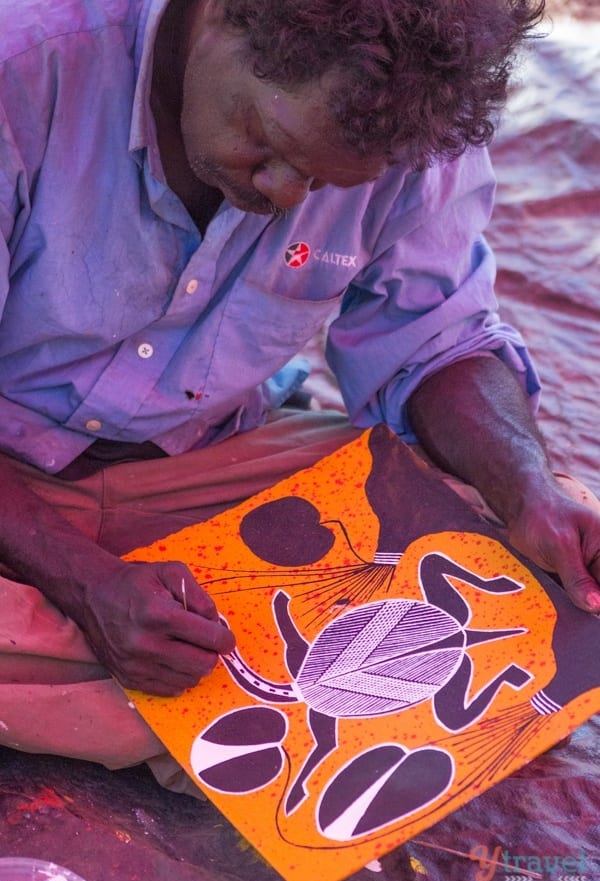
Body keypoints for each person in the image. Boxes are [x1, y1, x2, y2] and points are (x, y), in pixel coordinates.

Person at [0, 0, 599, 792]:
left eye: (321, 181)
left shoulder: (415, 127)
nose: (285, 196)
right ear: (215, 16)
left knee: (504, 546)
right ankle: (246, 709)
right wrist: (80, 577)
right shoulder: (26, 68)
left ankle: (195, 708)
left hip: (210, 455)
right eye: (271, 147)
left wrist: (526, 486)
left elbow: (437, 335)